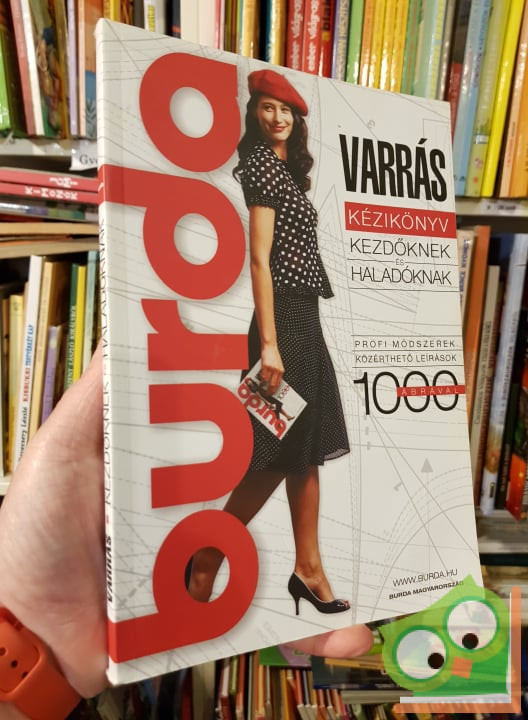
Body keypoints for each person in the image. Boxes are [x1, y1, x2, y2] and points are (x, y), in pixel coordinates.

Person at [0, 345, 372, 718]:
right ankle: (219, 554)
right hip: (278, 332)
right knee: (288, 439)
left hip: (308, 330)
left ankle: (303, 566)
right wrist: (271, 346)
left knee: (304, 445)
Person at [188, 69, 351, 616]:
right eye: (267, 107)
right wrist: (270, 345)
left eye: (286, 110)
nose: (277, 117)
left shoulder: (286, 169)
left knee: (304, 453)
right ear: (254, 112)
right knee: (280, 453)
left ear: (296, 119)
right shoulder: (260, 164)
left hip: (304, 317)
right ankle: (209, 553)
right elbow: (259, 260)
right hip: (281, 323)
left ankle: (309, 568)